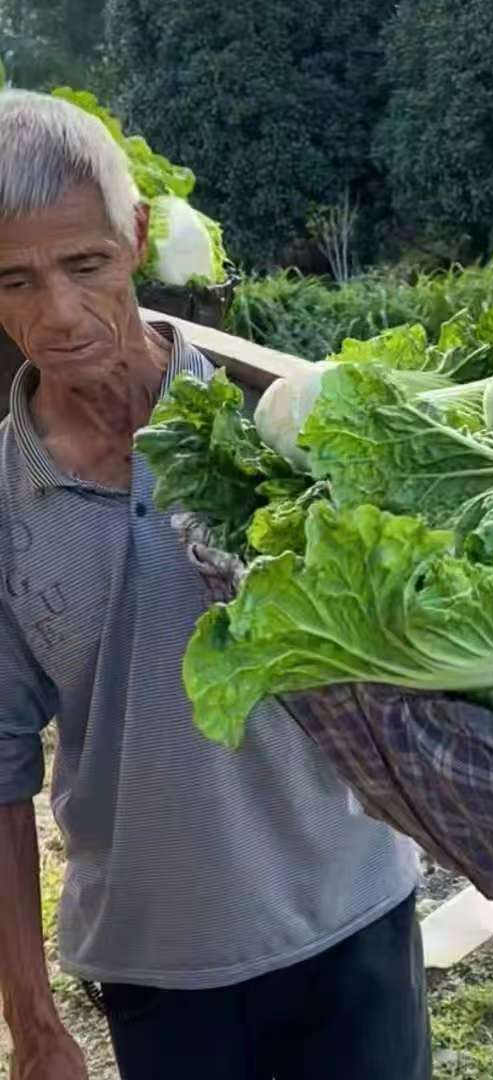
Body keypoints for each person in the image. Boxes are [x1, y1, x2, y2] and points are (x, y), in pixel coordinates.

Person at [0, 89, 431, 1080]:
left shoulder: (277, 425)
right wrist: (32, 1018)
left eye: (86, 265)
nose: (58, 317)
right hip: (160, 969)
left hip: (354, 915)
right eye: (14, 281)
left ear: (136, 237)